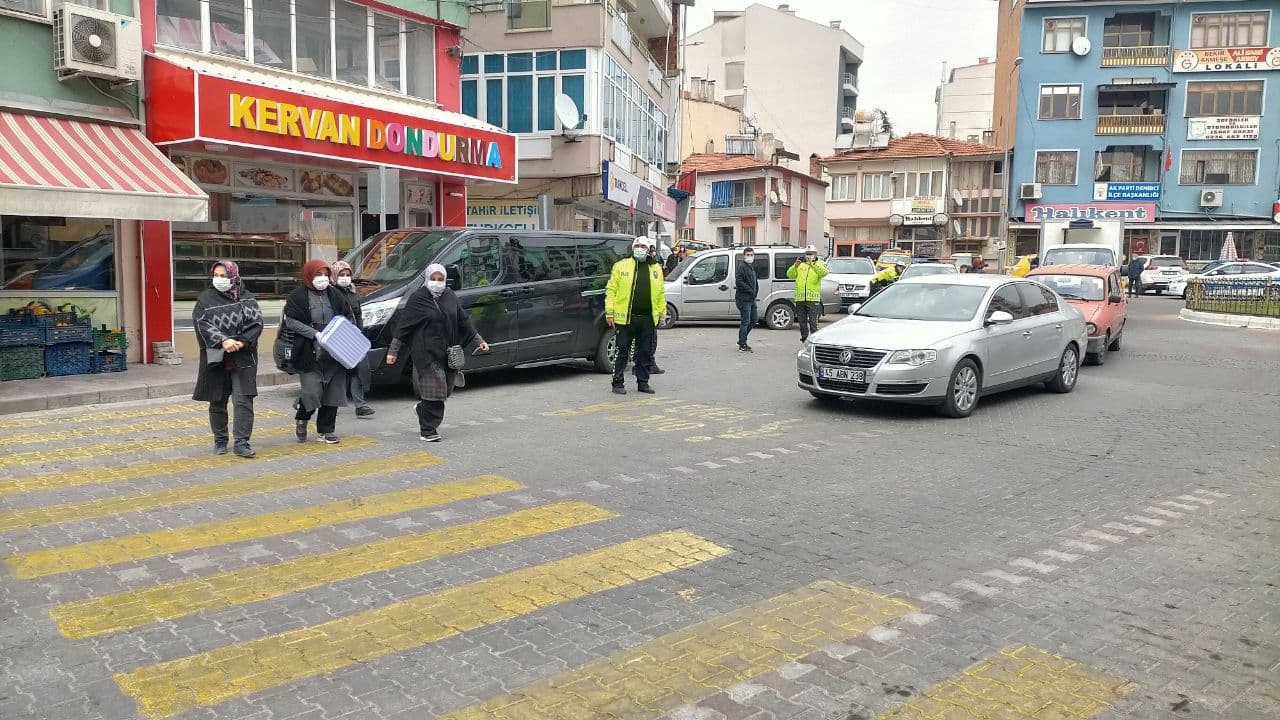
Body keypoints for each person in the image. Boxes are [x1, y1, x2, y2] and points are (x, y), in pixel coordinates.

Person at [385, 264, 489, 442]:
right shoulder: (417, 299)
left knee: (445, 389)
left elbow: (463, 319)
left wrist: (479, 340)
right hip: (425, 352)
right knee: (436, 389)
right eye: (433, 279)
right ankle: (428, 430)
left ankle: (422, 409)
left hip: (447, 351)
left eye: (440, 279)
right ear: (426, 279)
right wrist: (393, 351)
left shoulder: (450, 296)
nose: (437, 283)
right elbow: (404, 327)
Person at [192, 260, 263, 458]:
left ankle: (242, 442)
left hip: (243, 356)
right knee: (217, 400)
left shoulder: (247, 297)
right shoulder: (205, 299)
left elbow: (256, 323)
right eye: (216, 275)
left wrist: (241, 342)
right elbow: (200, 323)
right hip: (217, 356)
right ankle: (220, 440)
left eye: (224, 276)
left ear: (234, 276)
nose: (219, 280)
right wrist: (222, 340)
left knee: (243, 401)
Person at [283, 259, 356, 444]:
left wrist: (346, 333)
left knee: (334, 392)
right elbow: (291, 321)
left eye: (325, 274)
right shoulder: (297, 297)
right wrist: (314, 333)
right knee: (312, 392)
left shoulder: (336, 295)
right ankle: (302, 417)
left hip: (335, 351)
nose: (322, 278)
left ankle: (326, 430)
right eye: (318, 274)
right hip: (310, 351)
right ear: (308, 275)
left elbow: (348, 316)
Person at [606, 237, 665, 395]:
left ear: (648, 250)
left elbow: (660, 294)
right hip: (626, 318)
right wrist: (609, 312)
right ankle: (617, 382)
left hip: (647, 318)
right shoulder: (621, 266)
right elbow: (611, 291)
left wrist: (662, 314)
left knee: (645, 352)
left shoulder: (655, 269)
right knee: (622, 350)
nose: (640, 248)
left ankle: (643, 382)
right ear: (632, 248)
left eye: (643, 246)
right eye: (637, 246)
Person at [332, 260, 374, 418]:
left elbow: (358, 314)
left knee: (360, 370)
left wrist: (360, 332)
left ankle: (360, 405)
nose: (344, 278)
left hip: (354, 337)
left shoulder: (353, 292)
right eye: (341, 275)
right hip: (337, 338)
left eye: (347, 275)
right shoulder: (331, 293)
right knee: (331, 373)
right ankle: (305, 399)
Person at [787, 245, 829, 342]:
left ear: (815, 255)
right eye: (807, 254)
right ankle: (805, 339)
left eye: (811, 254)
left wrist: (813, 264)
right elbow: (790, 275)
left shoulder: (820, 264)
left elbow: (824, 273)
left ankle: (814, 341)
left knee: (813, 322)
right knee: (802, 322)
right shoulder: (801, 265)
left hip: (813, 299)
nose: (809, 256)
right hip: (800, 298)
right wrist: (795, 265)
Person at [735, 247, 759, 351]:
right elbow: (739, 282)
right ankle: (742, 344)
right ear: (744, 256)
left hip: (751, 299)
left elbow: (754, 281)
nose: (750, 257)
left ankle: (742, 339)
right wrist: (750, 290)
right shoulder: (742, 267)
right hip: (744, 299)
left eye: (751, 255)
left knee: (754, 320)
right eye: (748, 255)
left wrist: (755, 291)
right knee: (746, 321)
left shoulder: (750, 267)